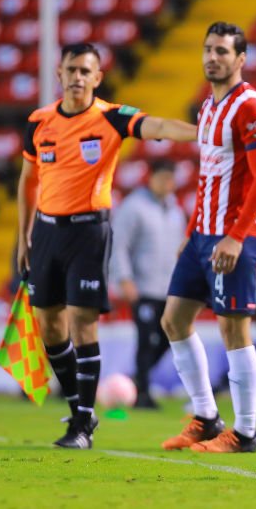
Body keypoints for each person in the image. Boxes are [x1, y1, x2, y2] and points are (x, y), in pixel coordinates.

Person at [17, 42, 197, 449]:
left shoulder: (112, 118)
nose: (78, 77)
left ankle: (81, 424)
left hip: (89, 231)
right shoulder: (38, 122)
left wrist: (204, 132)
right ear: (59, 74)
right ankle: (81, 406)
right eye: (72, 69)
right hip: (46, 232)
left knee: (83, 320)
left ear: (98, 79)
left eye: (86, 71)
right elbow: (28, 181)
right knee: (49, 326)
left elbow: (161, 128)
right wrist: (23, 235)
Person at [160, 22, 256, 454]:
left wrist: (235, 237)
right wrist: (192, 234)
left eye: (223, 51)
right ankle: (207, 418)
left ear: (241, 59)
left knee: (234, 331)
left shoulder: (250, 106)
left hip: (234, 237)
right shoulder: (208, 107)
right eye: (208, 49)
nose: (213, 57)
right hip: (201, 235)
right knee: (173, 320)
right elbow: (210, 176)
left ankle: (245, 434)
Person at [109, 159, 187, 409]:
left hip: (169, 288)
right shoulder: (134, 207)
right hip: (142, 286)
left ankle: (136, 380)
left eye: (170, 179)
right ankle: (141, 391)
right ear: (150, 178)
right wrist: (124, 278)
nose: (167, 184)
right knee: (145, 339)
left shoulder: (175, 210)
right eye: (162, 178)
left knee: (168, 338)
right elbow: (120, 244)